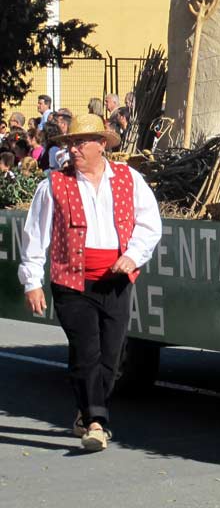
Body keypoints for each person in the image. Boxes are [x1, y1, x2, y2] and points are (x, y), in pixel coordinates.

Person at [17, 114, 162, 452]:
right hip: (71, 282)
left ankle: (85, 413)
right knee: (86, 351)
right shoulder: (53, 184)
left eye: (81, 143)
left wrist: (134, 254)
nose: (74, 149)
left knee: (112, 355)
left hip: (115, 281)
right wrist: (31, 282)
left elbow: (149, 223)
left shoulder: (129, 179)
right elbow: (35, 235)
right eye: (71, 143)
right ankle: (97, 422)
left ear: (101, 145)